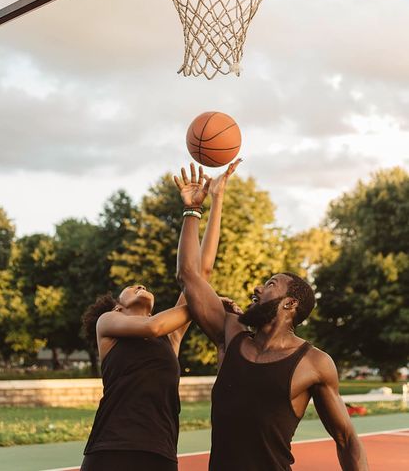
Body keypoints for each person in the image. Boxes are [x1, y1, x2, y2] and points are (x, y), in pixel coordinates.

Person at [174, 163, 369, 471]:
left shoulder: (314, 363)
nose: (256, 289)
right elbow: (190, 275)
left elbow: (346, 439)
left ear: (290, 303)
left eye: (269, 285)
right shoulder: (231, 332)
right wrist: (194, 210)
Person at [79, 162, 239, 471]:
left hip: (160, 451)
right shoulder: (108, 325)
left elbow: (199, 274)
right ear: (118, 308)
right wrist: (205, 302)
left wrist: (210, 203)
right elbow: (153, 326)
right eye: (130, 287)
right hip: (112, 448)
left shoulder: (172, 335)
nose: (140, 284)